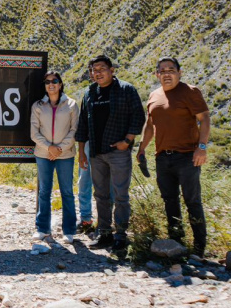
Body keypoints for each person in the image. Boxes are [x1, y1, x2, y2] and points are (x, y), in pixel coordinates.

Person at [137, 57, 211, 258]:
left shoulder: (190, 91)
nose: (167, 74)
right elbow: (150, 125)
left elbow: (204, 119)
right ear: (157, 74)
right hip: (162, 157)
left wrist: (202, 147)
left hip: (187, 157)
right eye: (162, 70)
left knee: (192, 201)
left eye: (171, 70)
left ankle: (199, 248)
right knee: (169, 200)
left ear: (179, 73)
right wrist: (141, 148)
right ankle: (176, 242)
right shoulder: (154, 95)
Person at [75, 55, 145, 251]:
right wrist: (81, 152)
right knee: (101, 195)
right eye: (94, 70)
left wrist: (127, 141)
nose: (98, 73)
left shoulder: (126, 89)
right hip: (96, 152)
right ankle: (104, 233)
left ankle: (120, 236)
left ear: (111, 70)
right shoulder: (90, 93)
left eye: (102, 68)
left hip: (118, 152)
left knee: (121, 195)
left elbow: (138, 116)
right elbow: (83, 124)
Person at [30, 71, 80, 245]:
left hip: (65, 154)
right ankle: (42, 229)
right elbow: (34, 132)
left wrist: (59, 149)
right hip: (43, 154)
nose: (51, 84)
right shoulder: (38, 106)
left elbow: (74, 130)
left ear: (60, 84)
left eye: (55, 81)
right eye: (47, 82)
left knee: (67, 192)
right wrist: (49, 148)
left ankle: (69, 231)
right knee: (44, 192)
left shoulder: (71, 105)